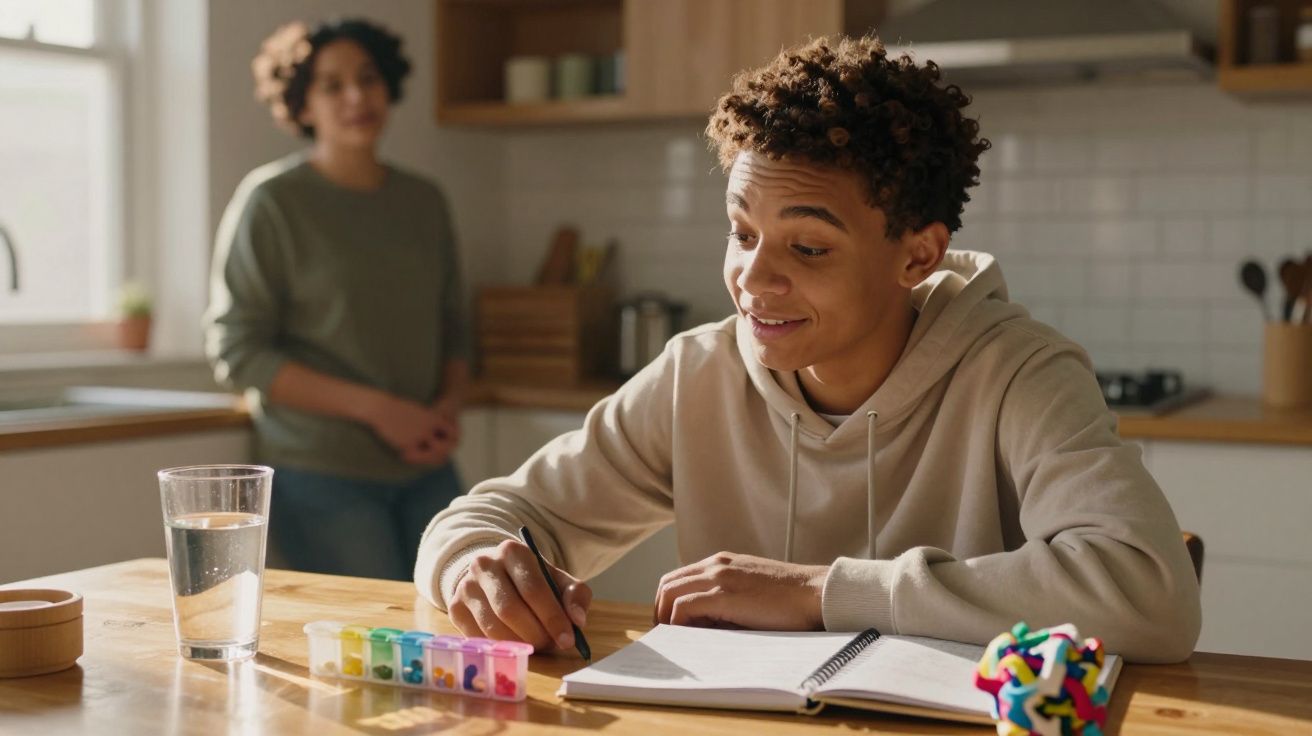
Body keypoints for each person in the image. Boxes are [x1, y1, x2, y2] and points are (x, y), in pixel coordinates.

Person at [413, 35, 1201, 662]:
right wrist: (477, 568)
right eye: (742, 233)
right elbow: (488, 516)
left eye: (809, 248)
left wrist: (821, 593)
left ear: (917, 256)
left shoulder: (1018, 371)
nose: (753, 279)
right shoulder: (700, 373)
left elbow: (1151, 593)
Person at [205, 18, 468, 581]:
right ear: (302, 104)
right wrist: (380, 411)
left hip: (427, 466)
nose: (356, 96)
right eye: (332, 85)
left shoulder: (424, 201)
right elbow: (238, 353)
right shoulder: (272, 202)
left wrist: (446, 408)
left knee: (467, 617)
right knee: (379, 628)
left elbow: (455, 326)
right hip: (321, 474)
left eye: (368, 78)